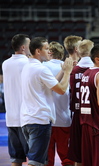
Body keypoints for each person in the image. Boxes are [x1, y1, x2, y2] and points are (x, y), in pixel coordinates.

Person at [20, 37, 73, 166]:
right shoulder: (41, 69)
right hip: (39, 120)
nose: (49, 51)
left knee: (42, 160)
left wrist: (62, 71)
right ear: (38, 51)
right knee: (36, 162)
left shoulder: (28, 66)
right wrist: (67, 72)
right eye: (46, 48)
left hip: (28, 119)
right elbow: (60, 90)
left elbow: (50, 83)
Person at [43, 41, 74, 166]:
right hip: (64, 119)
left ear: (49, 52)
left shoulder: (42, 66)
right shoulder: (68, 67)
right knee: (67, 158)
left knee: (47, 159)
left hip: (47, 119)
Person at [2, 34, 30, 166]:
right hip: (26, 117)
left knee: (16, 159)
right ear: (24, 47)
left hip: (11, 117)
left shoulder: (5, 63)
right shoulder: (27, 63)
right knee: (35, 159)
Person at [67, 39, 94, 166]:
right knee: (95, 151)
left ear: (78, 51)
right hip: (93, 115)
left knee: (78, 154)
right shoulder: (96, 69)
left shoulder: (73, 70)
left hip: (77, 113)